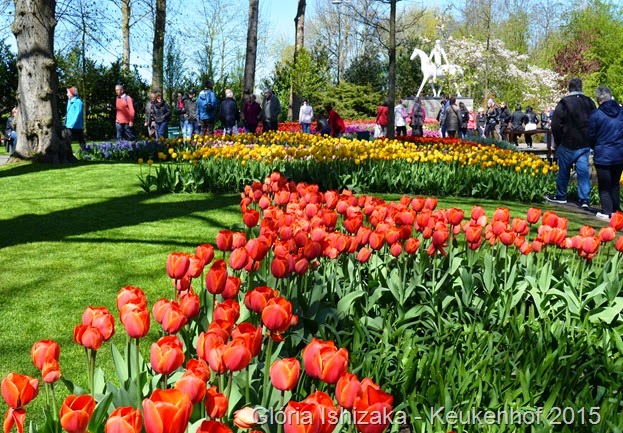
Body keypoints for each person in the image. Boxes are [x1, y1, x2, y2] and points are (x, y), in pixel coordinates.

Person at [546, 77, 596, 207]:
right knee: (583, 172)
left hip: (567, 142)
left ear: (569, 87)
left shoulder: (564, 103)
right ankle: (584, 199)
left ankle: (561, 195)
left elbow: (556, 124)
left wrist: (558, 140)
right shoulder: (589, 102)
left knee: (564, 170)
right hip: (584, 142)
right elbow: (595, 122)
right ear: (581, 87)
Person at [587, 86, 623, 220]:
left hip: (603, 153)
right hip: (619, 153)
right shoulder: (621, 112)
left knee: (604, 185)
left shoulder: (596, 114)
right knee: (614, 184)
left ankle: (607, 211)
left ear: (599, 99)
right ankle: (615, 211)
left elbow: (590, 135)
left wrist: (595, 146)